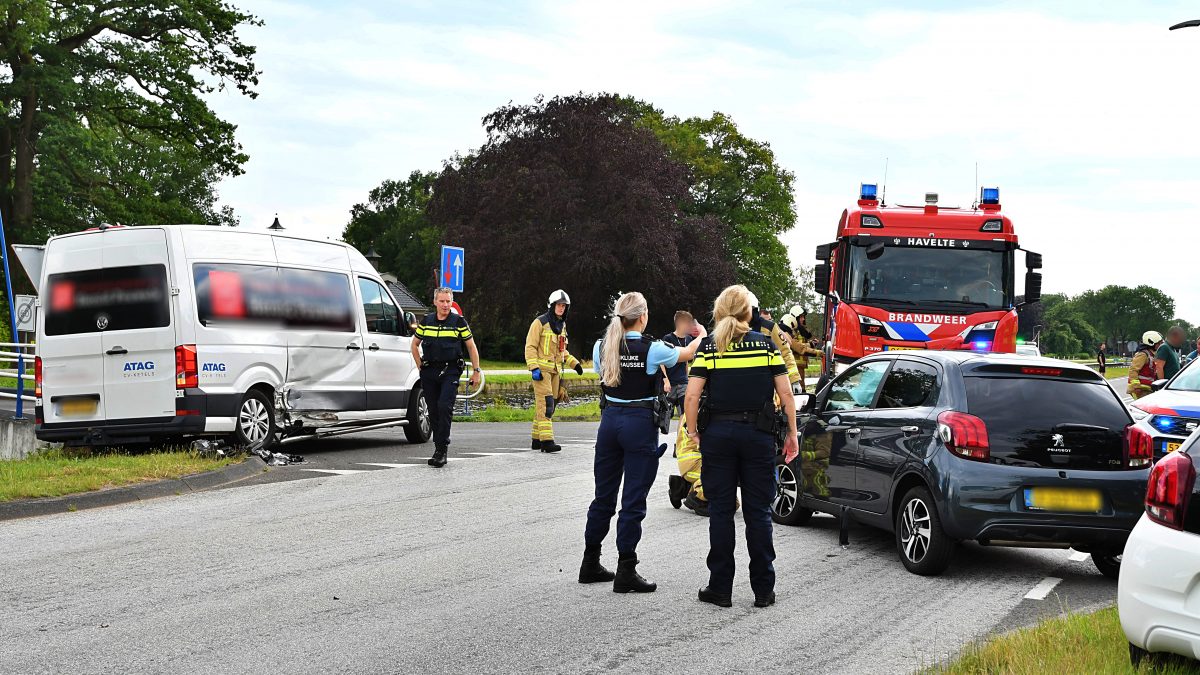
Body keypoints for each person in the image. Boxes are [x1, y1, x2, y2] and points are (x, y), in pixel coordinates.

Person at [579, 291, 707, 593]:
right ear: (643, 316)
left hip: (609, 422)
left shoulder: (602, 346)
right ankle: (626, 570)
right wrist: (701, 335)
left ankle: (589, 562)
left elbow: (605, 374)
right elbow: (688, 353)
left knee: (603, 497)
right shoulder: (653, 349)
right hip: (638, 424)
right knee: (633, 500)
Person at [684, 284, 799, 609]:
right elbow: (786, 395)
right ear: (748, 313)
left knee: (720, 510)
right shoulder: (766, 346)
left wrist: (693, 431)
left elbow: (692, 395)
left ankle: (720, 588)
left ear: (720, 312)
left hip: (718, 435)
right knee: (758, 512)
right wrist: (792, 433)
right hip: (758, 436)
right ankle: (763, 590)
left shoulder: (709, 347)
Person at [411, 287, 481, 467]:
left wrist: (476, 371)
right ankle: (437, 447)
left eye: (448, 301)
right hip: (429, 371)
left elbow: (471, 347)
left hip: (450, 370)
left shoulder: (458, 322)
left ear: (452, 302)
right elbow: (414, 344)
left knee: (444, 406)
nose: (445, 305)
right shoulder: (426, 321)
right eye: (442, 301)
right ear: (435, 302)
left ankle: (442, 450)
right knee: (433, 409)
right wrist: (420, 365)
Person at [524, 289, 583, 453]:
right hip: (542, 371)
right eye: (559, 305)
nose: (561, 308)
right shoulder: (539, 323)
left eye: (564, 306)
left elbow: (562, 351)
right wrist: (534, 368)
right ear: (552, 305)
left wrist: (575, 364)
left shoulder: (562, 326)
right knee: (546, 404)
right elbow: (530, 347)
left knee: (549, 405)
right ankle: (547, 442)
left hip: (556, 371)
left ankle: (536, 439)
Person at [780, 311, 823, 393]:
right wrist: (818, 352)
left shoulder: (781, 334)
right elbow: (799, 348)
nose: (803, 319)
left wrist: (811, 344)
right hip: (794, 365)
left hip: (796, 365)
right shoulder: (786, 335)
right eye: (801, 317)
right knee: (798, 390)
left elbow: (800, 346)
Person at [1128, 331, 1163, 400]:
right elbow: (1133, 370)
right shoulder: (1143, 354)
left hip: (1147, 387)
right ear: (1151, 343)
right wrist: (1136, 386)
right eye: (1158, 343)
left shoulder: (1151, 354)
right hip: (1140, 388)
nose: (1160, 345)